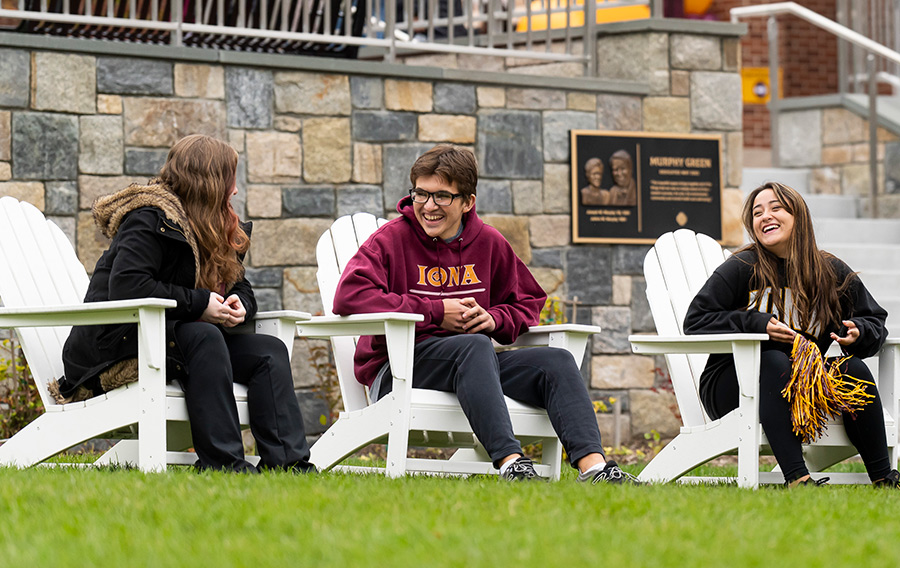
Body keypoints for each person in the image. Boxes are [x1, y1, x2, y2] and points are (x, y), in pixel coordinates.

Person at [332, 144, 638, 484]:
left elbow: (529, 301)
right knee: (475, 346)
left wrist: (495, 319)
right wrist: (435, 312)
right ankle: (512, 463)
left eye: (442, 197)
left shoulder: (489, 243)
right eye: (421, 194)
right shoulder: (391, 239)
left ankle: (595, 469)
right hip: (400, 369)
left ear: (467, 202)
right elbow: (350, 295)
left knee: (558, 362)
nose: (429, 207)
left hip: (475, 370)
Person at [55, 134, 314, 474]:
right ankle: (223, 465)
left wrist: (241, 304)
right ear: (209, 181)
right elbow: (128, 287)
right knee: (202, 336)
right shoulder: (149, 218)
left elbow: (240, 283)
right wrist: (200, 303)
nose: (235, 190)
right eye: (230, 179)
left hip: (178, 340)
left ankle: (289, 464)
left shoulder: (215, 224)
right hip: (118, 343)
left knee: (268, 350)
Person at [684, 181, 900, 488]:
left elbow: (874, 320)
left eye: (776, 208)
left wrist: (859, 331)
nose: (765, 216)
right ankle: (797, 479)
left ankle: (884, 477)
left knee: (853, 368)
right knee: (773, 360)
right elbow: (696, 320)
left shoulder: (830, 271)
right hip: (734, 386)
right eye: (757, 212)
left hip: (804, 387)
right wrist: (754, 323)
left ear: (798, 216)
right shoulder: (742, 267)